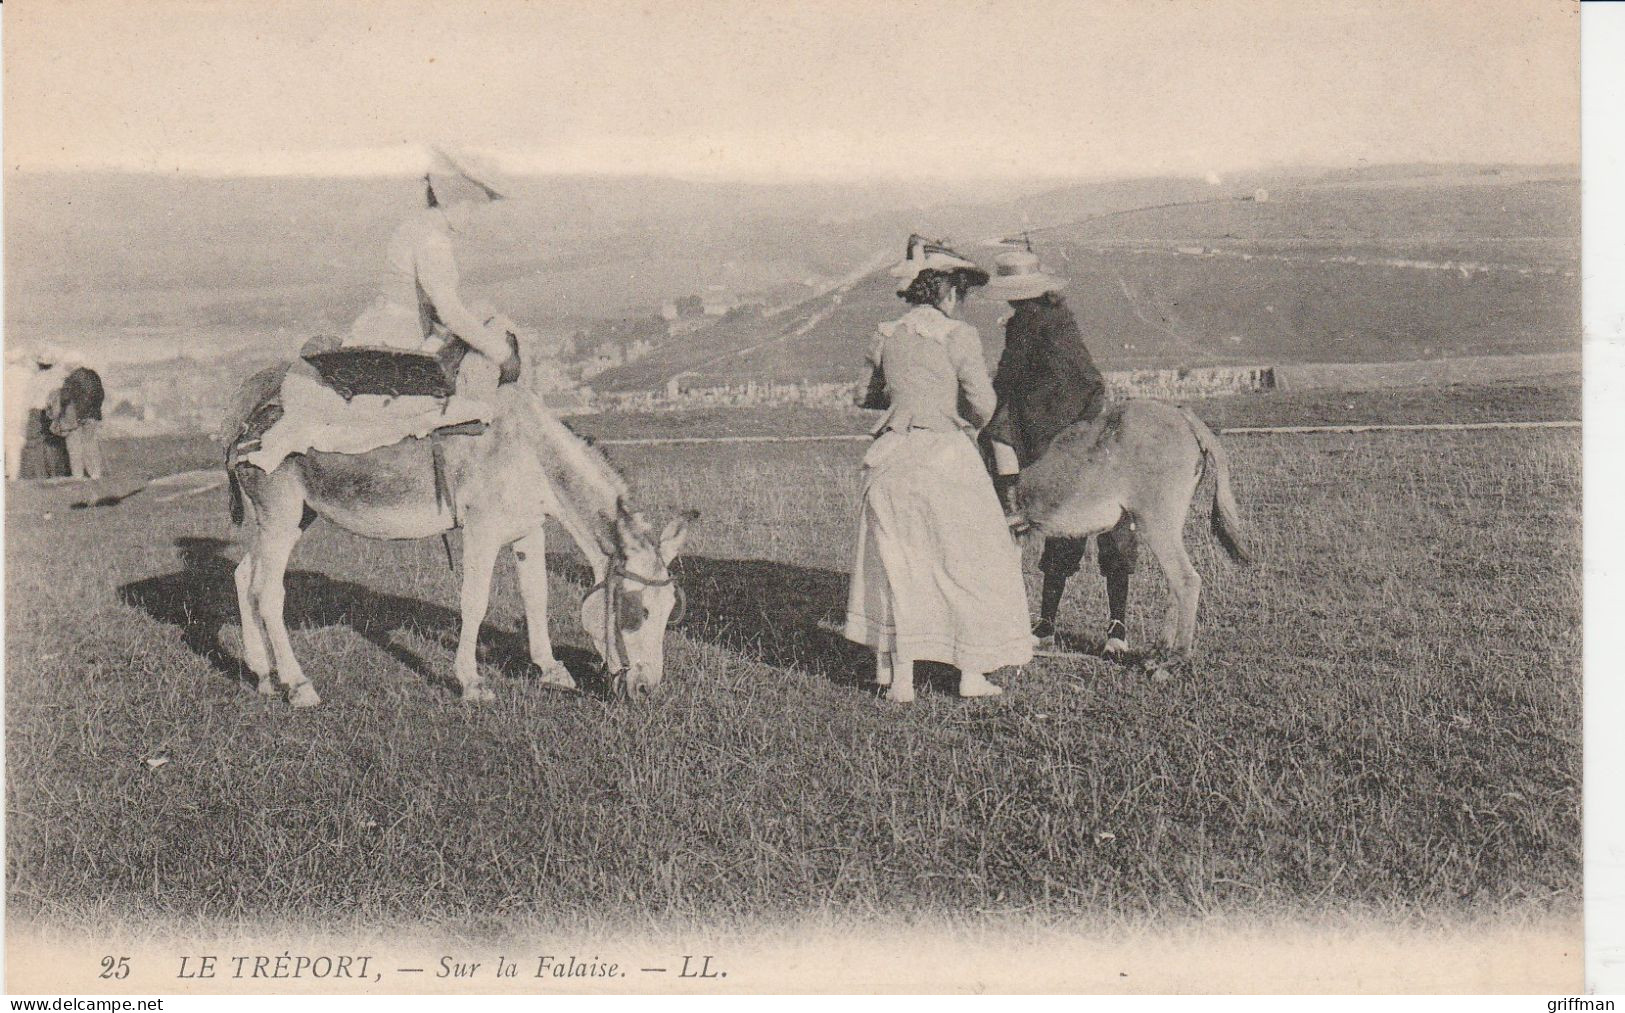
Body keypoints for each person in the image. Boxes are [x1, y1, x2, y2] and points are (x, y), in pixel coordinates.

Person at [241, 148, 520, 472]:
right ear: (458, 202)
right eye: (474, 207)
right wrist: (501, 354)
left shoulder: (415, 227)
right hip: (399, 338)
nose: (473, 218)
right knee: (454, 406)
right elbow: (449, 311)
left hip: (386, 327)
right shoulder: (433, 242)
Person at [843, 236, 1033, 702]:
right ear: (947, 292)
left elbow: (864, 395)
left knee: (897, 565)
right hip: (946, 458)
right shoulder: (958, 336)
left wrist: (904, 397)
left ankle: (899, 678)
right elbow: (983, 406)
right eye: (960, 295)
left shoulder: (885, 334)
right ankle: (970, 673)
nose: (961, 304)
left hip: (891, 459)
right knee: (968, 562)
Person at [980, 248, 1138, 651]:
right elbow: (1088, 376)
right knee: (1109, 518)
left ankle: (1014, 507)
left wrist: (986, 403)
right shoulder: (1061, 317)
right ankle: (1117, 627)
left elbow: (1007, 376)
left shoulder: (1024, 323)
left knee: (995, 435)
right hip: (1087, 415)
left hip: (1047, 420)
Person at [54, 362, 107, 480]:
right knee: (90, 443)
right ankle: (95, 473)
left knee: (74, 446)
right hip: (93, 414)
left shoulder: (71, 379)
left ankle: (78, 475)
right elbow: (101, 395)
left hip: (76, 416)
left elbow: (65, 398)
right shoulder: (94, 376)